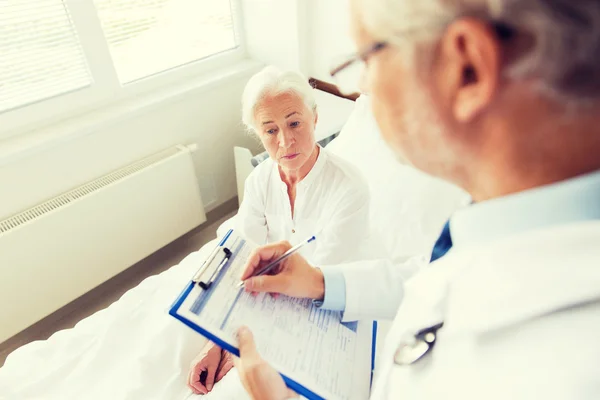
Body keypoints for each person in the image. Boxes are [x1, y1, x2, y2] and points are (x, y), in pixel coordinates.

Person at [232, 0, 600, 399]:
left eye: (367, 58)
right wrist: (321, 282)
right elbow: (434, 275)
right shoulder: (512, 212)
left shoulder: (565, 368)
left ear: (467, 68)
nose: (363, 88)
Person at [187, 66, 372, 395]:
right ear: (258, 134)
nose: (285, 141)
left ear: (315, 118)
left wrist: (243, 342)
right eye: (270, 130)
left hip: (323, 304)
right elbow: (243, 259)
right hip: (271, 303)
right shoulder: (259, 181)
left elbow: (321, 282)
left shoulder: (349, 188)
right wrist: (217, 342)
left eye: (295, 123)